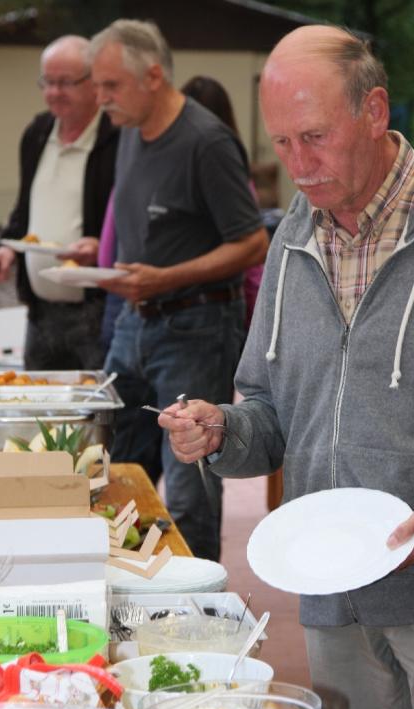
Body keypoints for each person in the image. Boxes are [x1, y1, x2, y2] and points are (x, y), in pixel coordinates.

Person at [158, 24, 414, 709]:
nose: (296, 165)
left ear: (373, 111)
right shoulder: (292, 237)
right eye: (280, 142)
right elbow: (270, 410)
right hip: (329, 600)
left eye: (314, 137)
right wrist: (221, 430)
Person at [89, 19, 268, 561]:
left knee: (190, 494)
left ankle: (199, 604)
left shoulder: (206, 141)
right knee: (110, 470)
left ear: (153, 76)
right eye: (97, 85)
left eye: (111, 86)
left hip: (195, 328)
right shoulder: (128, 131)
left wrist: (165, 278)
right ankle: (122, 588)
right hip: (133, 322)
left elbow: (253, 242)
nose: (101, 99)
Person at [0, 35, 119, 370]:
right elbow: (25, 208)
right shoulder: (37, 132)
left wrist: (103, 247)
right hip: (41, 312)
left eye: (66, 82)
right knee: (37, 398)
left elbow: (130, 220)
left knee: (97, 399)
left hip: (97, 310)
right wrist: (8, 247)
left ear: (94, 83)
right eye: (47, 82)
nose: (54, 92)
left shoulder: (116, 138)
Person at [181, 75, 264, 329]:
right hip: (218, 305)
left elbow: (252, 250)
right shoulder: (235, 172)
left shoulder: (223, 169)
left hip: (208, 306)